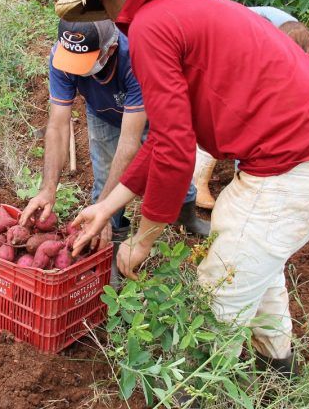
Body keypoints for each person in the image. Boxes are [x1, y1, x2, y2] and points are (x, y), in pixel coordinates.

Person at [56, 0, 309, 376]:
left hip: (295, 164)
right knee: (253, 260)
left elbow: (176, 151)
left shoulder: (153, 26)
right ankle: (279, 368)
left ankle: (205, 388)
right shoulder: (191, 9)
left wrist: (142, 240)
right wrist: (106, 207)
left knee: (219, 292)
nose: (109, 11)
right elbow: (164, 139)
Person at [19, 19, 209, 279]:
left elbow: (130, 144)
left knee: (170, 170)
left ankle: (186, 216)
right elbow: (58, 126)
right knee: (104, 174)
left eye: (85, 62)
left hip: (154, 114)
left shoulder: (136, 57)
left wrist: (105, 208)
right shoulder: (62, 56)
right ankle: (109, 244)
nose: (77, 69)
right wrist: (48, 188)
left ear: (109, 49)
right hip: (103, 113)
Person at [194, 7, 309, 210]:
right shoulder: (249, 41)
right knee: (218, 120)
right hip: (218, 42)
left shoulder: (300, 44)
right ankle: (198, 181)